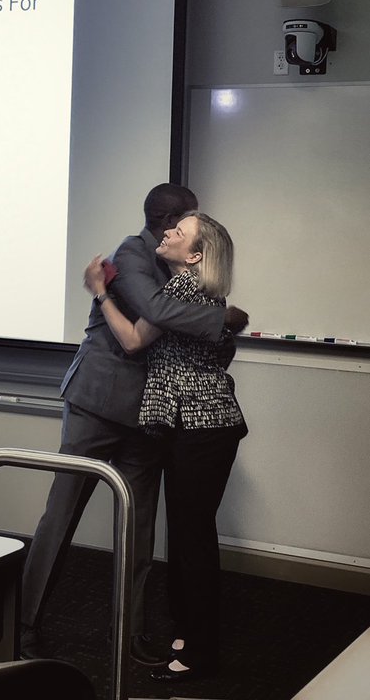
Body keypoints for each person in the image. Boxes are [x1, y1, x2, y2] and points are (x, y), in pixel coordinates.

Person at [20, 183, 249, 664]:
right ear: (173, 221)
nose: (189, 226)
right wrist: (221, 317)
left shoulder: (179, 264)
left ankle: (129, 633)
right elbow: (154, 317)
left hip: (150, 417)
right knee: (61, 515)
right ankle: (24, 625)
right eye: (188, 218)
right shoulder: (132, 255)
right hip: (99, 403)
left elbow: (184, 325)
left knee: (139, 529)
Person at [87, 210, 247, 681]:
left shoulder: (181, 290)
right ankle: (192, 631)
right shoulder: (209, 295)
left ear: (196, 255)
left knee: (193, 540)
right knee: (190, 535)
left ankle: (201, 652)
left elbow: (135, 340)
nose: (169, 232)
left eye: (180, 232)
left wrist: (100, 293)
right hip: (203, 428)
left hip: (200, 430)